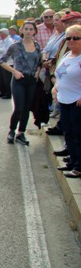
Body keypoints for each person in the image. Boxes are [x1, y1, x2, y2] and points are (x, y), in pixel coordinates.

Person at [0, 21, 42, 146]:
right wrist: (14, 71)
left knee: (27, 109)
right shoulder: (15, 46)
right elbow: (2, 61)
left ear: (34, 31)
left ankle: (21, 133)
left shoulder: (37, 46)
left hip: (32, 80)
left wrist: (38, 71)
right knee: (19, 107)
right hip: (19, 80)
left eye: (31, 29)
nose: (28, 31)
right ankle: (12, 130)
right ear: (22, 30)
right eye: (26, 29)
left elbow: (39, 61)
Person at [51, 24, 81, 178]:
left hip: (77, 102)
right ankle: (72, 162)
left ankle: (79, 166)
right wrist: (55, 87)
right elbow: (60, 75)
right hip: (64, 100)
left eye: (76, 38)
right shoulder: (67, 56)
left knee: (78, 134)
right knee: (68, 133)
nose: (71, 41)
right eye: (68, 38)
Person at [0, 28, 14, 99]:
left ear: (5, 34)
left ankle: (8, 93)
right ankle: (2, 92)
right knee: (1, 79)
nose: (0, 35)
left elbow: (7, 51)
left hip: (7, 63)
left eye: (1, 34)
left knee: (7, 79)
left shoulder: (9, 41)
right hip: (0, 62)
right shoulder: (1, 41)